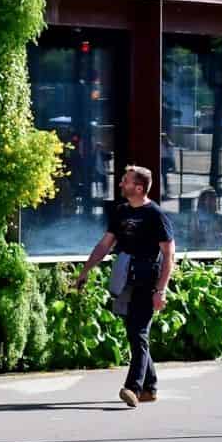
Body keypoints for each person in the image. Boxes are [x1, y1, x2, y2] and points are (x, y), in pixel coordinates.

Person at [72, 165, 176, 408]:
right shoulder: (120, 212)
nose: (120, 184)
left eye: (125, 181)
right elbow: (104, 244)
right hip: (125, 277)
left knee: (139, 332)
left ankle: (133, 388)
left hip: (147, 279)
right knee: (133, 331)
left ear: (138, 188)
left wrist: (161, 289)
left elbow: (169, 255)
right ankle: (150, 388)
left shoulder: (156, 215)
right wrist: (85, 271)